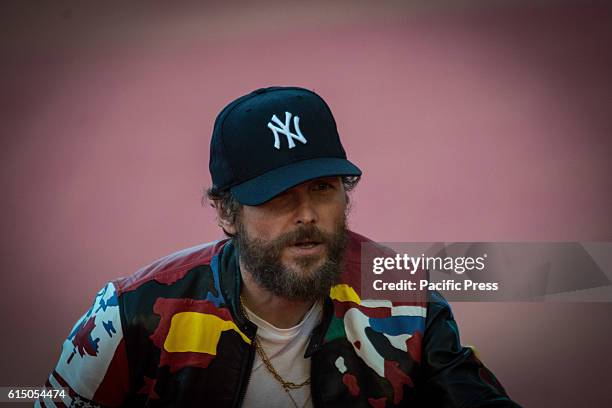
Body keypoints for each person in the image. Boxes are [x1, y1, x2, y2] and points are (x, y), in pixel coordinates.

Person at [38, 86, 520, 407]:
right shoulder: (130, 313)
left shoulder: (406, 303)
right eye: (277, 197)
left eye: (323, 189)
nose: (307, 214)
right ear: (226, 212)